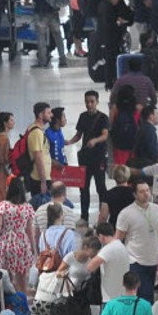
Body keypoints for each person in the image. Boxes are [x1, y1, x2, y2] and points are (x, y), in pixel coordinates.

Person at [115, 181, 158, 300]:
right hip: (135, 260)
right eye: (141, 191)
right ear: (135, 194)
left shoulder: (157, 210)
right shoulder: (126, 213)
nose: (146, 194)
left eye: (147, 190)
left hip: (152, 260)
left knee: (147, 294)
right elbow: (118, 238)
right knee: (145, 295)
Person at [66, 89, 109, 222]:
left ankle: (103, 215)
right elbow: (79, 135)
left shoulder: (103, 118)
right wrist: (69, 142)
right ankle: (84, 216)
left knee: (100, 187)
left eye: (92, 102)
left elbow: (105, 135)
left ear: (97, 102)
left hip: (99, 157)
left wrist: (95, 141)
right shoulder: (83, 116)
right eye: (87, 102)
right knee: (83, 187)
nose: (89, 104)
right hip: (85, 157)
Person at [0, 177, 38, 293]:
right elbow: (30, 231)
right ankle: (22, 299)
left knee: (6, 276)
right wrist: (33, 247)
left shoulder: (3, 206)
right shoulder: (28, 208)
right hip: (22, 243)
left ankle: (9, 301)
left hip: (5, 242)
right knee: (21, 276)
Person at [29, 0, 68, 68]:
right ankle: (63, 59)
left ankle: (43, 61)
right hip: (53, 10)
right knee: (58, 36)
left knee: (41, 37)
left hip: (41, 12)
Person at [87, 222, 130, 303]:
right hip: (123, 295)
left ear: (101, 236)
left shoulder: (107, 250)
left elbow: (90, 267)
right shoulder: (122, 246)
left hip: (110, 298)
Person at [23, 102, 54, 197]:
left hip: (39, 177)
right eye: (48, 113)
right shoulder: (37, 133)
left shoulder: (34, 128)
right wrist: (43, 181)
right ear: (41, 115)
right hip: (38, 178)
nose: (51, 115)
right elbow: (38, 157)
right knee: (42, 208)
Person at [131, 105, 158, 170]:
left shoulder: (143, 128)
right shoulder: (149, 131)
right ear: (151, 116)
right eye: (157, 114)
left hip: (142, 164)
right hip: (148, 166)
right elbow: (153, 151)